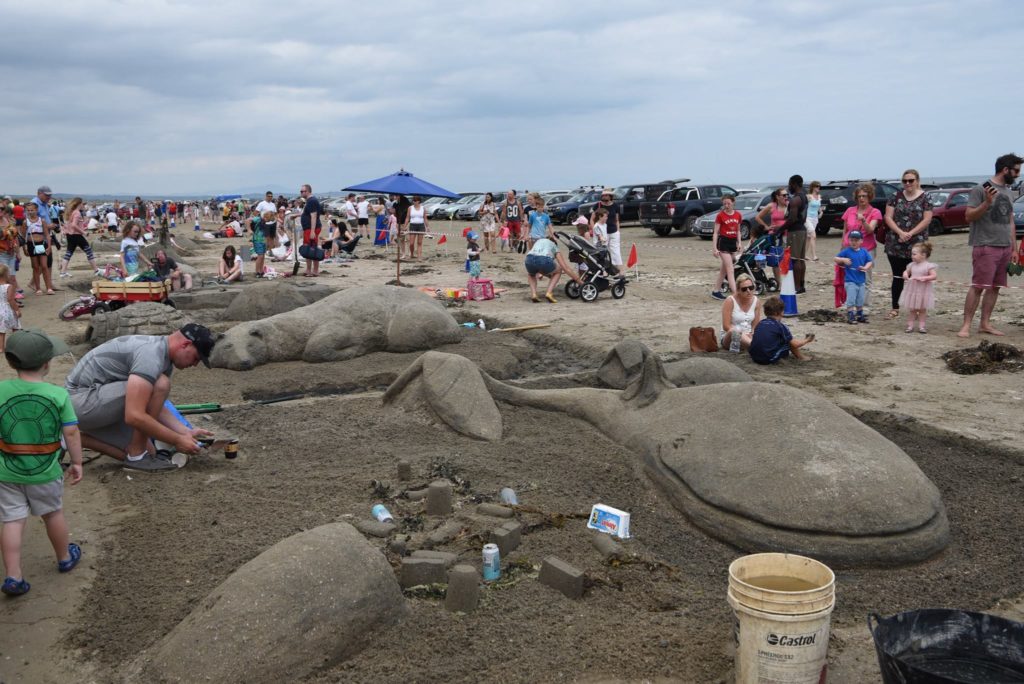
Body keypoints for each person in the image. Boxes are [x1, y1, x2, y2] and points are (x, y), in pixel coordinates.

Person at [65, 324, 216, 473]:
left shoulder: (162, 356)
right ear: (185, 344)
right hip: (79, 402)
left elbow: (151, 403)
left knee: (148, 454)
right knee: (161, 384)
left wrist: (184, 431)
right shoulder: (150, 355)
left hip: (94, 403)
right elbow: (134, 416)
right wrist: (176, 440)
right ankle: (136, 455)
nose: (195, 364)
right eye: (196, 358)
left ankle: (67, 438)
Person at [0, 330, 83, 596]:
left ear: (11, 362)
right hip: (45, 472)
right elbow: (71, 432)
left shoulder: (0, 390)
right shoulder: (57, 395)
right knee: (52, 513)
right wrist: (77, 462)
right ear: (47, 363)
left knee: (12, 520)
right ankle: (64, 557)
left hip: (7, 471)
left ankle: (13, 576)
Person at [958, 153, 1023, 338]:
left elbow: (1010, 220)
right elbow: (969, 216)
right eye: (1016, 170)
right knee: (978, 286)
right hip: (985, 244)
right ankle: (966, 325)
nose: (1018, 174)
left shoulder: (1009, 191)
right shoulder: (981, 189)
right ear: (1005, 169)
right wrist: (986, 203)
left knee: (995, 287)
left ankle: (985, 324)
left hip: (1005, 247)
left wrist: (1015, 249)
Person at [883, 169, 933, 320]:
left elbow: (927, 219)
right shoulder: (895, 197)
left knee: (917, 277)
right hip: (896, 243)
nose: (908, 184)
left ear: (917, 181)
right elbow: (888, 217)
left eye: (911, 180)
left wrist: (910, 233)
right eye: (905, 181)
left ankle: (916, 308)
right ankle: (895, 307)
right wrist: (900, 232)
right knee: (898, 277)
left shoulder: (926, 197)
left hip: (917, 244)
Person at [840, 184, 882, 313]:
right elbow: (845, 229)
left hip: (866, 248)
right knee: (849, 275)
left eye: (864, 196)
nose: (862, 199)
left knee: (865, 276)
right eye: (859, 196)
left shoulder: (875, 212)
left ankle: (864, 304)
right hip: (850, 248)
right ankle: (850, 302)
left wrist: (863, 220)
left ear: (869, 197)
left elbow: (870, 230)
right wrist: (843, 246)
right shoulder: (850, 210)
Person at [749, 296, 813, 364]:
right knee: (788, 342)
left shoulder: (760, 323)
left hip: (754, 357)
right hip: (768, 359)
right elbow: (795, 345)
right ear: (780, 312)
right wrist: (807, 340)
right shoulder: (780, 326)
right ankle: (801, 357)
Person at [524, 235, 583, 303]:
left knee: (531, 274)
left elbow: (537, 262)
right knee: (559, 270)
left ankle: (534, 294)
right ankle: (549, 293)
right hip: (544, 259)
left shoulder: (539, 241)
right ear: (555, 242)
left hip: (529, 259)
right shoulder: (554, 246)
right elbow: (565, 268)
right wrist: (580, 282)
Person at [835, 230, 874, 324]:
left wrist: (865, 268)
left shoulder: (864, 251)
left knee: (860, 299)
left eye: (856, 240)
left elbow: (870, 261)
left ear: (861, 241)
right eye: (852, 240)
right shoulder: (846, 251)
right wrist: (843, 259)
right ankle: (850, 315)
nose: (854, 242)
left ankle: (860, 315)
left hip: (861, 281)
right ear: (848, 240)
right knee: (851, 299)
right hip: (850, 281)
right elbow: (835, 258)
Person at [900, 242, 937, 334]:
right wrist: (905, 275)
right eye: (912, 254)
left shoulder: (928, 266)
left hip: (923, 291)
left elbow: (934, 276)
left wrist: (923, 278)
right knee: (912, 309)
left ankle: (922, 326)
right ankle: (910, 326)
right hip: (913, 290)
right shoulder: (911, 265)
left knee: (922, 310)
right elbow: (906, 272)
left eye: (914, 254)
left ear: (923, 255)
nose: (912, 256)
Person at [779, 175, 808, 292]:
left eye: (790, 184)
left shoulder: (795, 199)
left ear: (794, 184)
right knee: (801, 259)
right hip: (802, 229)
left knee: (795, 259)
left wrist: (780, 229)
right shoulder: (804, 197)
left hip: (795, 231)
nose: (789, 186)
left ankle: (796, 287)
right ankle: (801, 285)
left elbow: (792, 219)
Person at [57, 197, 99, 278]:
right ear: (79, 204)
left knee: (69, 253)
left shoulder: (71, 212)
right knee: (88, 251)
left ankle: (63, 272)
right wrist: (84, 232)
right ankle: (96, 270)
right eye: (82, 204)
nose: (83, 205)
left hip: (70, 235)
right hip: (76, 235)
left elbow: (70, 224)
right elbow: (74, 225)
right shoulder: (77, 213)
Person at [755, 188, 788, 287]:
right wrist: (766, 227)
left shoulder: (789, 205)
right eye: (784, 195)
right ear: (777, 197)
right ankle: (779, 284)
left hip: (787, 235)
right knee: (776, 261)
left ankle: (787, 282)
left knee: (786, 259)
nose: (786, 197)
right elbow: (758, 217)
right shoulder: (771, 206)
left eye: (787, 195)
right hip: (774, 236)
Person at [711, 194, 742, 300]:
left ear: (733, 202)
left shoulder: (738, 215)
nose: (726, 205)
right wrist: (714, 248)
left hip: (733, 243)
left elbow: (738, 231)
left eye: (728, 203)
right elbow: (715, 232)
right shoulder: (720, 216)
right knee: (730, 269)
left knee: (724, 270)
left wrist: (739, 243)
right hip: (723, 242)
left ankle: (715, 291)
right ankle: (735, 294)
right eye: (724, 204)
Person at [720, 273, 761, 353]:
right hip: (730, 337)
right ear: (738, 290)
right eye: (744, 289)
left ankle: (752, 345)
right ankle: (754, 346)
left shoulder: (756, 301)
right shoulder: (730, 301)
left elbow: (755, 325)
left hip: (749, 335)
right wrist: (744, 335)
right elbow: (726, 326)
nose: (748, 291)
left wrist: (751, 333)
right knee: (735, 330)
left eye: (751, 287)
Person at [24, 201, 54, 295]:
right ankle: (38, 288)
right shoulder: (26, 222)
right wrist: (24, 248)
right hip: (31, 244)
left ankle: (49, 287)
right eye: (28, 210)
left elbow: (47, 235)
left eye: (32, 210)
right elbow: (23, 236)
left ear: (36, 210)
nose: (30, 212)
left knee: (44, 266)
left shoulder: (42, 221)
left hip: (42, 244)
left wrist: (49, 246)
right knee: (35, 267)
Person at [591, 189, 623, 270]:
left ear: (610, 196)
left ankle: (618, 270)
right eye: (603, 195)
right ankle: (603, 269)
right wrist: (594, 231)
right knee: (602, 252)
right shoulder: (597, 205)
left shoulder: (615, 206)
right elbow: (592, 219)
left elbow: (617, 220)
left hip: (613, 231)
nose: (604, 196)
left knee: (615, 251)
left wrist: (618, 231)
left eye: (606, 195)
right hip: (602, 233)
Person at [299, 184, 322, 277]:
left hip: (311, 228)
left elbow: (314, 216)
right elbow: (308, 214)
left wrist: (312, 231)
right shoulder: (309, 201)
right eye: (301, 191)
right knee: (308, 248)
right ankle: (308, 269)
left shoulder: (312, 201)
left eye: (302, 191)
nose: (301, 193)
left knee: (312, 248)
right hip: (308, 228)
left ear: (308, 191)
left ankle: (315, 271)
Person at [0, 206, 19, 300]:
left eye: (2, 208)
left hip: (11, 253)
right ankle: (8, 300)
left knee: (11, 277)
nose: (0, 210)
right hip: (1, 253)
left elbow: (15, 238)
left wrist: (18, 252)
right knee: (4, 277)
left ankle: (11, 299)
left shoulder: (9, 221)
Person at [0, 264, 21, 349]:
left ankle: (1, 348)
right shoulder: (9, 286)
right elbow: (10, 299)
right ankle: (16, 346)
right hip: (7, 310)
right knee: (15, 327)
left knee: (1, 331)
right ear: (6, 275)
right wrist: (17, 310)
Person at [404, 195, 428, 260]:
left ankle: (419, 256)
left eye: (415, 200)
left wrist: (427, 227)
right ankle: (411, 254)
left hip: (421, 225)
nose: (414, 202)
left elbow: (425, 218)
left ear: (419, 201)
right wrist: (405, 226)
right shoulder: (410, 208)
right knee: (411, 243)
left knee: (419, 242)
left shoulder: (423, 208)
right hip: (412, 225)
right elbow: (407, 218)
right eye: (413, 200)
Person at [805, 181, 822, 261]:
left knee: (809, 237)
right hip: (808, 218)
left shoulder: (819, 196)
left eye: (819, 186)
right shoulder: (809, 196)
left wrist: (821, 212)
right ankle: (814, 255)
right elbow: (804, 206)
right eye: (817, 186)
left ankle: (804, 255)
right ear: (813, 187)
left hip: (815, 218)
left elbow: (819, 206)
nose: (818, 188)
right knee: (813, 235)